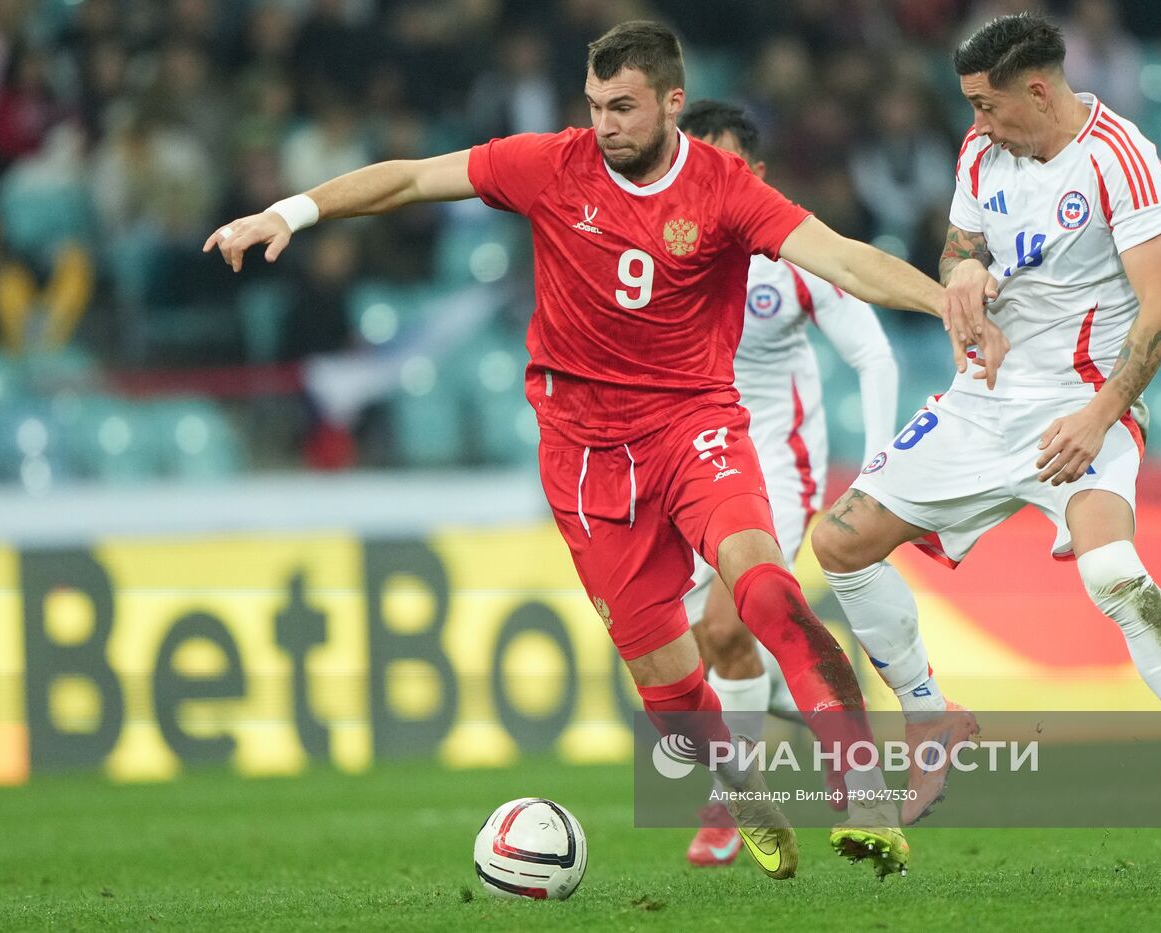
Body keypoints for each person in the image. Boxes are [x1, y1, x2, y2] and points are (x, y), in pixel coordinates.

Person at [207, 20, 1009, 880]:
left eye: (622, 106)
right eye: (594, 106)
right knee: (668, 692)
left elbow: (844, 258)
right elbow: (409, 177)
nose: (605, 125)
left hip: (695, 428)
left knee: (766, 586)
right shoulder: (551, 165)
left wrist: (947, 304)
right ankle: (742, 792)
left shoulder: (724, 188)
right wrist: (288, 210)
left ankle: (866, 791)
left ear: (670, 101)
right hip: (584, 456)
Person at [809, 12, 1161, 841]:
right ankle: (930, 721)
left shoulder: (1118, 159)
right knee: (839, 541)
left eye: (987, 106)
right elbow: (956, 251)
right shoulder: (982, 154)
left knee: (1111, 572)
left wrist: (1100, 418)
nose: (976, 123)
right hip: (981, 399)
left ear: (1037, 88)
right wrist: (967, 275)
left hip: (1080, 403)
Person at [674, 99, 901, 868]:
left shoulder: (790, 250)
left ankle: (734, 801)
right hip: (682, 463)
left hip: (775, 464)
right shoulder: (657, 242)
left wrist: (876, 470)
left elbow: (873, 356)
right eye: (690, 157)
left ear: (755, 173)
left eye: (723, 160)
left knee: (729, 625)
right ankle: (831, 710)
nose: (703, 175)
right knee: (698, 645)